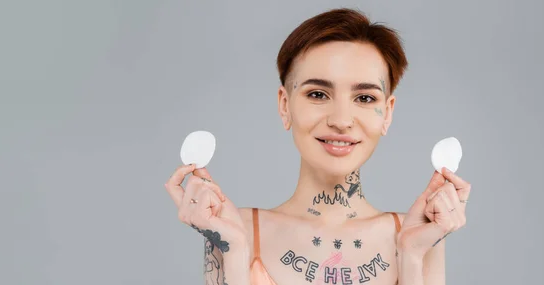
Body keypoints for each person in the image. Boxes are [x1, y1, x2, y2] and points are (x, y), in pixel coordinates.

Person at [165, 8, 472, 285]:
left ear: (387, 113)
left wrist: (412, 256)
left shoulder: (418, 234)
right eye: (317, 95)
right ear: (285, 105)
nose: (341, 120)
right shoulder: (234, 227)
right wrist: (234, 251)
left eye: (365, 98)